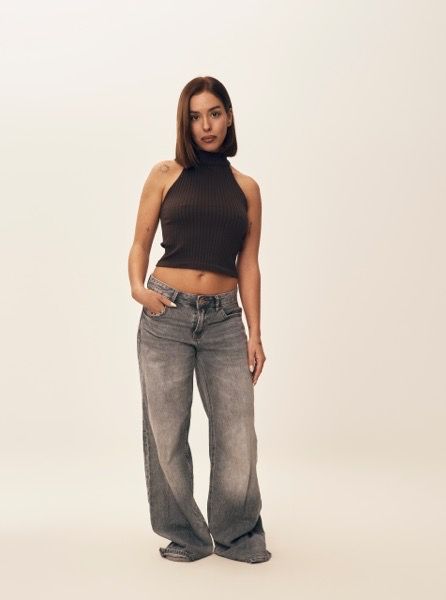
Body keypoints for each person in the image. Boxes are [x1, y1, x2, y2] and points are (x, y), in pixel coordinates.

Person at [128, 76, 271, 564]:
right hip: (165, 315)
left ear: (228, 117)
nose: (205, 125)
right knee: (166, 432)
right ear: (184, 124)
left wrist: (255, 333)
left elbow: (248, 264)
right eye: (194, 117)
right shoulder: (164, 174)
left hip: (224, 321)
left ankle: (237, 534)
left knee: (238, 433)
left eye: (214, 113)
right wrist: (138, 289)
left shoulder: (246, 188)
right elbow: (140, 242)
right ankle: (186, 535)